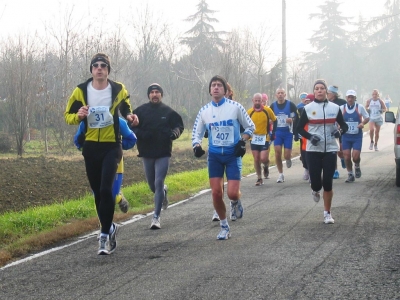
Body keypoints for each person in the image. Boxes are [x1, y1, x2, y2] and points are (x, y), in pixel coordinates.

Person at [64, 52, 138, 255]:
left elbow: (125, 108)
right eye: (95, 65)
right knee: (98, 193)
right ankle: (110, 227)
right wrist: (77, 116)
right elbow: (68, 115)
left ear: (108, 70)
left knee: (107, 190)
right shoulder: (80, 91)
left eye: (103, 65)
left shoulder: (118, 89)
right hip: (91, 148)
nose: (99, 68)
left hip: (112, 146)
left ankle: (103, 236)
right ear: (91, 70)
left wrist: (131, 117)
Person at [192, 75, 255, 240]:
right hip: (214, 156)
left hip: (232, 154)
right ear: (209, 90)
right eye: (213, 85)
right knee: (216, 193)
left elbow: (250, 126)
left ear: (225, 90)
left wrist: (243, 141)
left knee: (232, 193)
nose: (216, 88)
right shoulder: (204, 111)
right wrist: (196, 145)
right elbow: (196, 133)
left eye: (219, 85)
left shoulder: (235, 107)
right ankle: (224, 226)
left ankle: (235, 202)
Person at [131, 83, 184, 229]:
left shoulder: (168, 112)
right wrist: (141, 134)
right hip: (146, 152)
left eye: (157, 92)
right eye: (152, 92)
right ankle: (163, 192)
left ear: (161, 95)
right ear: (149, 95)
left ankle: (156, 217)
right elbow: (131, 127)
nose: (155, 94)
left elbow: (179, 126)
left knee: (159, 181)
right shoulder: (140, 111)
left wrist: (174, 134)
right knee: (153, 185)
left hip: (163, 151)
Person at [297, 79, 348, 224]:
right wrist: (310, 137)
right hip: (313, 149)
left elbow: (344, 126)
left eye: (322, 88)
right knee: (316, 183)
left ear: (326, 91)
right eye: (317, 88)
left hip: (330, 148)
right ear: (314, 92)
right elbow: (299, 128)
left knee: (328, 182)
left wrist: (339, 132)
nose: (319, 91)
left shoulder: (335, 108)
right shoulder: (307, 109)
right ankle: (314, 189)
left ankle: (327, 213)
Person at [74, 118, 137, 213]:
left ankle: (118, 198)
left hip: (115, 162)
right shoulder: (86, 121)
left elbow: (132, 139)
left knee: (111, 195)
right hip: (94, 161)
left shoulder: (118, 121)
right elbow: (77, 142)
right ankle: (106, 226)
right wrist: (85, 145)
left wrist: (117, 144)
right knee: (98, 196)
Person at [247, 93, 277, 186]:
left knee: (263, 158)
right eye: (255, 100)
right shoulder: (249, 112)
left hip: (265, 137)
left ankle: (266, 166)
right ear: (253, 100)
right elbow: (245, 124)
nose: (257, 102)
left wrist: (273, 133)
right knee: (256, 158)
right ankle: (259, 178)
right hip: (254, 138)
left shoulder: (267, 110)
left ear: (262, 101)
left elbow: (275, 120)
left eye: (259, 100)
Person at [340, 90, 370, 182]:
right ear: (346, 98)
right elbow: (337, 119)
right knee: (347, 156)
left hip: (357, 136)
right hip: (345, 136)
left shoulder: (359, 107)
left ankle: (357, 165)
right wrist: (339, 125)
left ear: (355, 98)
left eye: (352, 97)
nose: (350, 99)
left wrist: (362, 123)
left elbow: (367, 117)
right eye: (348, 97)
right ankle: (350, 174)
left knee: (355, 157)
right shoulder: (342, 108)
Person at [269, 88, 298, 183]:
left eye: (282, 93)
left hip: (288, 132)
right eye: (278, 93)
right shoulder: (273, 106)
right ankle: (281, 174)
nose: (280, 95)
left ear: (285, 95)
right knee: (277, 153)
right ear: (276, 95)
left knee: (286, 155)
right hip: (277, 132)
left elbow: (296, 116)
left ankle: (288, 159)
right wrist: (271, 121)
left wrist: (292, 119)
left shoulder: (291, 105)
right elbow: (269, 117)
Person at [327, 85, 347, 179]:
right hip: (331, 129)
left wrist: (341, 125)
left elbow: (346, 115)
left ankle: (342, 158)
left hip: (340, 129)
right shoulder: (325, 102)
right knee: (333, 151)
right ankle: (335, 170)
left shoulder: (342, 103)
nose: (327, 94)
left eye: (328, 93)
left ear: (333, 94)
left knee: (340, 151)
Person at [297, 93, 314, 181]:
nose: (307, 104)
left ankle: (312, 173)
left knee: (312, 156)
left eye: (309, 102)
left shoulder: (316, 111)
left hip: (313, 136)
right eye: (306, 102)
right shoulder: (301, 110)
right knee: (304, 155)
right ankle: (306, 169)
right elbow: (297, 123)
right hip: (304, 136)